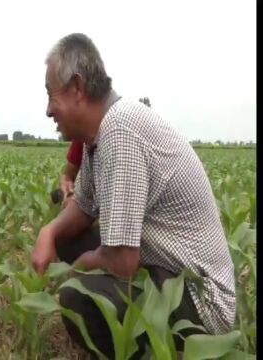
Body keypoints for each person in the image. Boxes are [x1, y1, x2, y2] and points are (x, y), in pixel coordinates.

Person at [32, 33, 235, 359]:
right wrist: (49, 231)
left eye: (50, 95)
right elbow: (82, 207)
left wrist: (75, 273)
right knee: (68, 238)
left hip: (201, 300)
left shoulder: (120, 131)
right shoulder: (96, 135)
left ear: (77, 88)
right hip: (168, 272)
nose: (47, 110)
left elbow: (122, 262)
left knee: (78, 297)